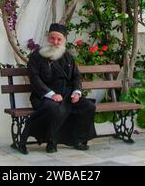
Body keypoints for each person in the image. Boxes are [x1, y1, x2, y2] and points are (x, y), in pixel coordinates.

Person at [18, 23, 97, 155]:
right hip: (43, 96)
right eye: (52, 38)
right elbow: (35, 80)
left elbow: (76, 77)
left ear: (64, 40)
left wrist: (76, 93)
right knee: (55, 108)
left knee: (88, 106)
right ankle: (51, 141)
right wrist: (51, 94)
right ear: (47, 38)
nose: (55, 42)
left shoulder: (68, 57)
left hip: (67, 95)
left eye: (59, 39)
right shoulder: (36, 56)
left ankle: (77, 139)